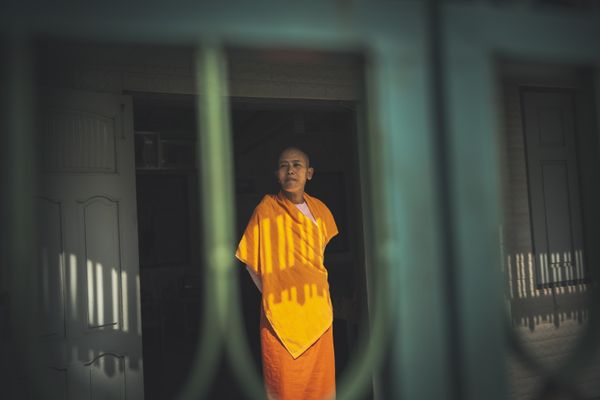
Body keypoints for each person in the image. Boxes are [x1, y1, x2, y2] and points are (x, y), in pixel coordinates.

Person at [235, 146, 338, 400]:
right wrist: (274, 293)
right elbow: (251, 264)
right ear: (277, 175)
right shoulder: (265, 210)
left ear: (309, 173)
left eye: (297, 165)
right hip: (280, 318)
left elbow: (318, 260)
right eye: (284, 165)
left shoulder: (321, 212)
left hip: (318, 315)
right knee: (284, 388)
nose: (290, 170)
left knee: (321, 387)